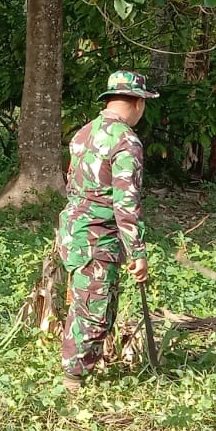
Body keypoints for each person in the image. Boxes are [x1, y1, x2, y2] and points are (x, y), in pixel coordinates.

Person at [57, 70, 157, 392]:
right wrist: (138, 252)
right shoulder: (126, 141)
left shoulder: (84, 133)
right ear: (138, 103)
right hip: (97, 237)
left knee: (87, 303)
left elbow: (73, 184)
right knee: (94, 311)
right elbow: (126, 203)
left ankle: (78, 372)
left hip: (74, 232)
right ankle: (72, 382)